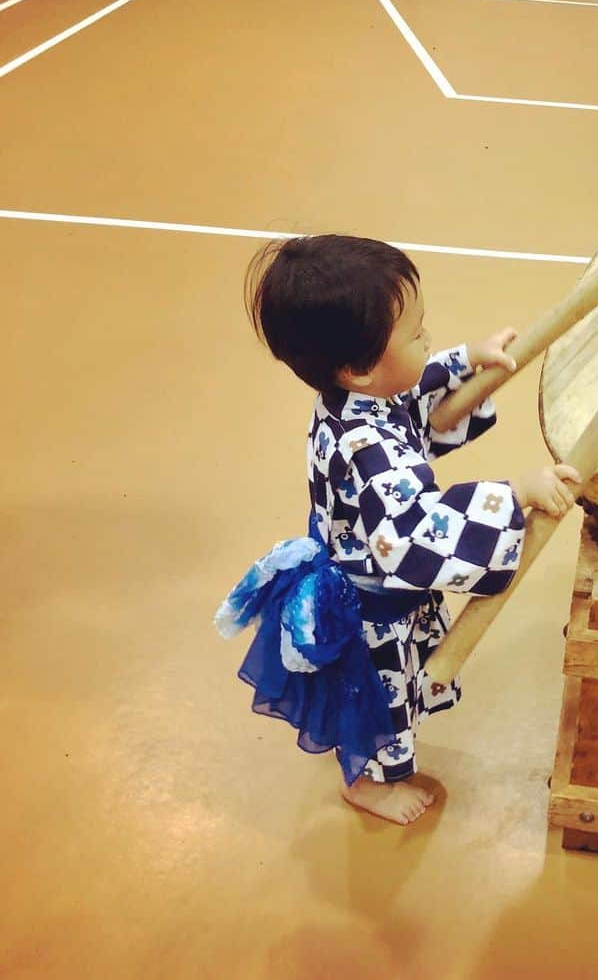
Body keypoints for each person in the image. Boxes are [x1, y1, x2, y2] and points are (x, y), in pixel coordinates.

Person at [215, 235, 579, 824]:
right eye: (416, 336)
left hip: (359, 571)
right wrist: (513, 495)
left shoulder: (351, 401)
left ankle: (372, 766)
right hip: (368, 606)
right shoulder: (368, 449)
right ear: (357, 369)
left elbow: (405, 398)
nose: (427, 340)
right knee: (383, 699)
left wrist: (465, 360)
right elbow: (414, 534)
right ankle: (369, 785)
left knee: (391, 692)